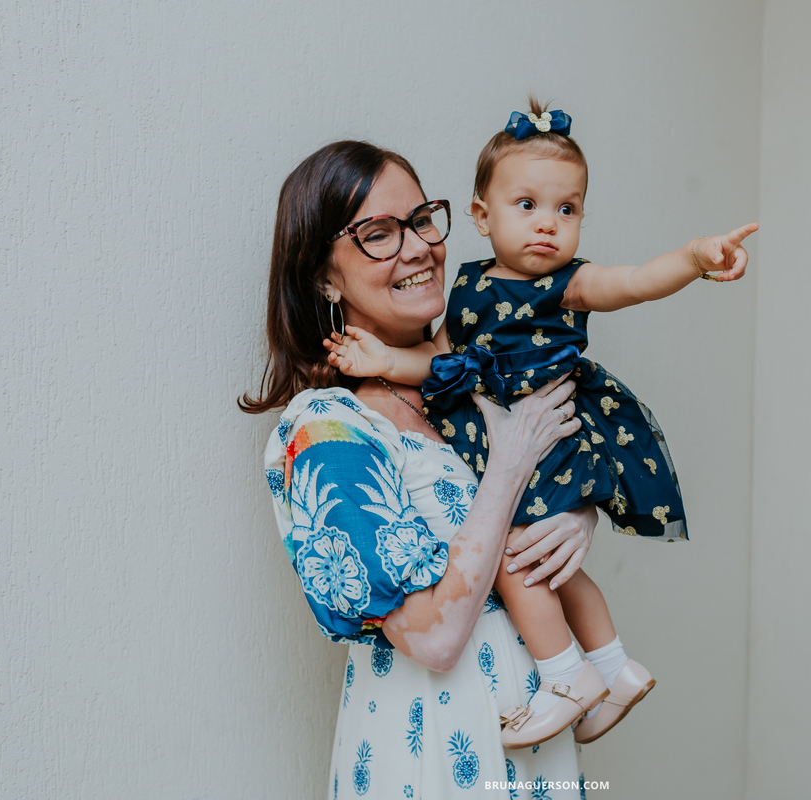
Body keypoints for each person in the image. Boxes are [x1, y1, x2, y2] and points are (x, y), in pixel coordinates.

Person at [323, 98, 757, 748]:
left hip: (553, 441)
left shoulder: (567, 284)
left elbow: (636, 281)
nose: (548, 224)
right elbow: (444, 363)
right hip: (514, 444)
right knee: (546, 565)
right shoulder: (467, 290)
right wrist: (383, 360)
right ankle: (614, 667)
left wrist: (694, 258)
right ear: (482, 216)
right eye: (527, 205)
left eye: (567, 209)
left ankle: (566, 677)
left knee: (514, 560)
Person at [241, 140, 601, 799]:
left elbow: (541, 492)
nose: (417, 249)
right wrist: (509, 467)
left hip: (537, 739)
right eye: (378, 234)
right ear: (323, 277)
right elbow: (433, 639)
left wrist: (575, 517)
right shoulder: (328, 429)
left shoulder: (471, 384)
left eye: (422, 220)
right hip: (430, 751)